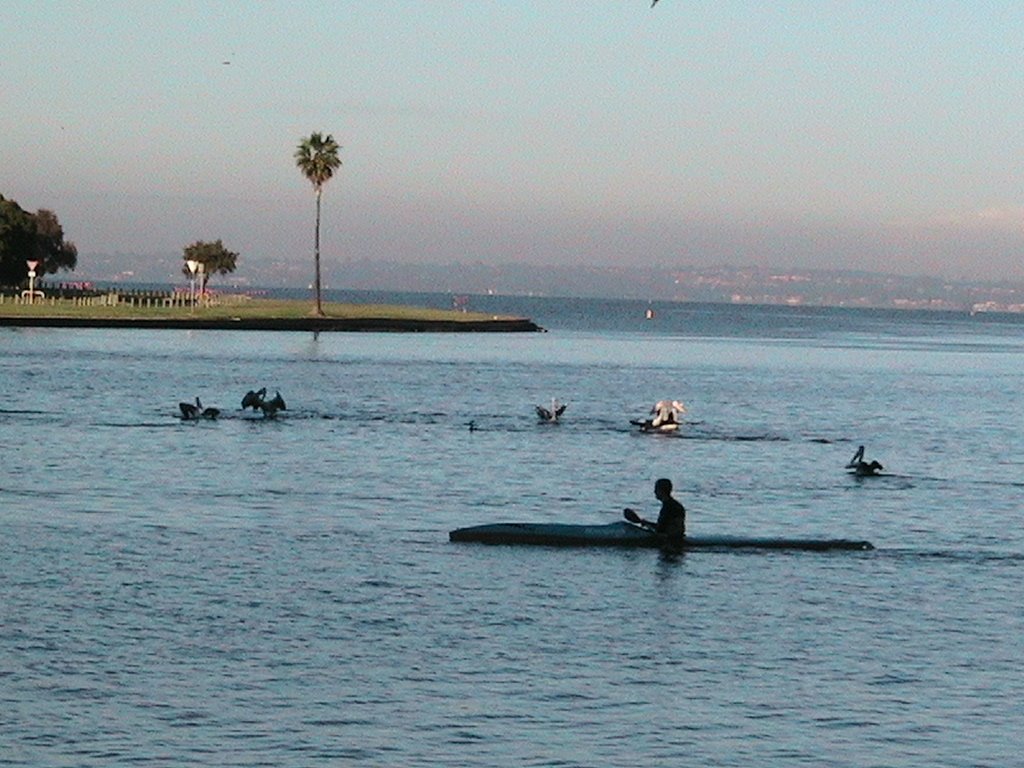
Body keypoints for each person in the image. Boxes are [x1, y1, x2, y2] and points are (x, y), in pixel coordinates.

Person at [625, 477, 686, 546]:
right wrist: (645, 522)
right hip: (676, 538)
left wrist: (645, 523)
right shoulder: (675, 505)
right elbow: (663, 527)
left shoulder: (667, 508)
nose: (654, 492)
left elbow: (660, 530)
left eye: (656, 489)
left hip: (670, 541)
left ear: (661, 491)